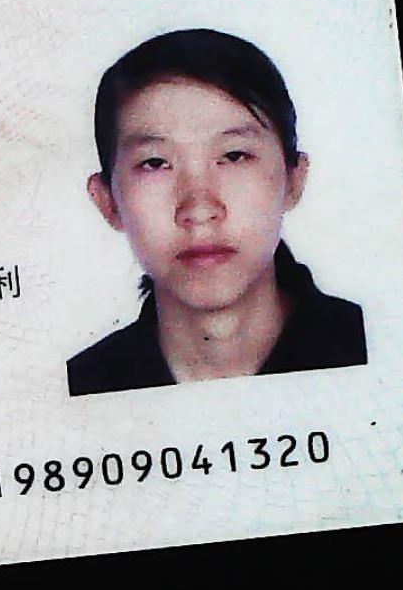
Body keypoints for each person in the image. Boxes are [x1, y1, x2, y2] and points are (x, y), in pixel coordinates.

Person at [64, 28, 369, 395]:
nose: (199, 209)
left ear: (294, 180)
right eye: (155, 163)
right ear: (107, 201)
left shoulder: (380, 345)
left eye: (234, 155)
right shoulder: (82, 387)